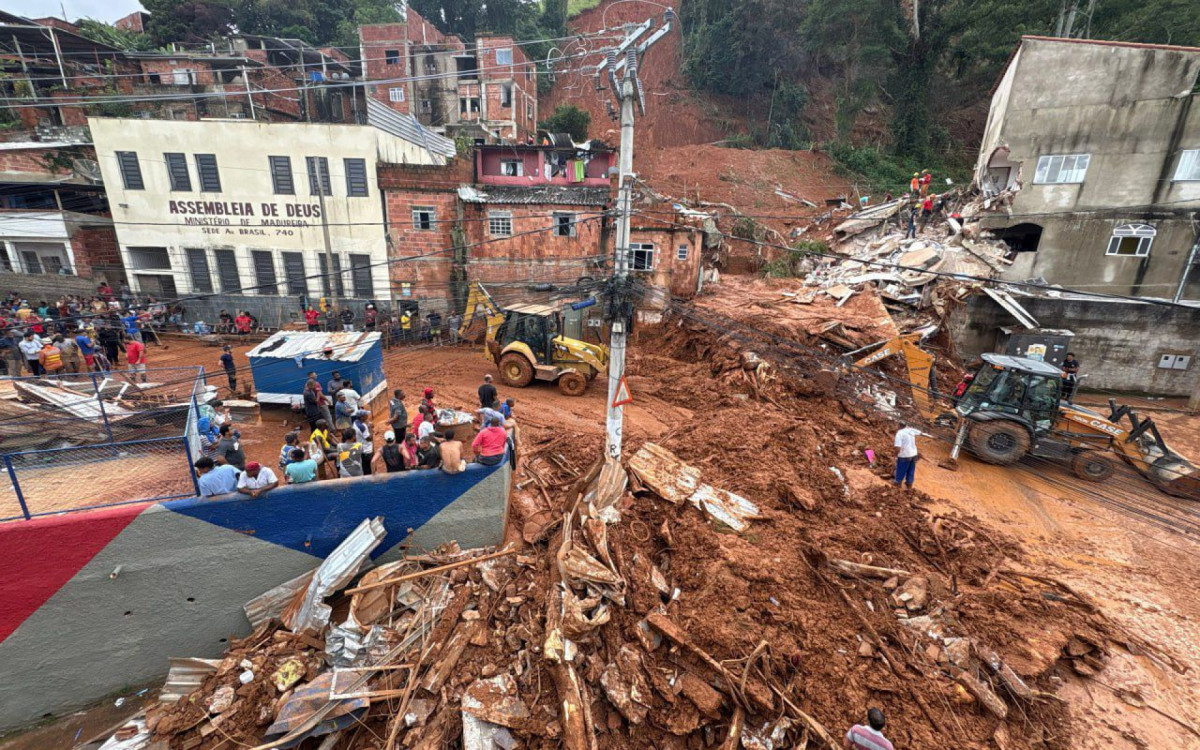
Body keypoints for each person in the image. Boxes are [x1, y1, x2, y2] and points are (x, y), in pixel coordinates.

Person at [893, 425, 922, 489]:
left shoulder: (899, 433)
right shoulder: (911, 430)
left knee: (901, 469)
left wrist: (895, 455)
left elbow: (897, 447)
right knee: (911, 469)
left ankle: (897, 483)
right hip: (914, 454)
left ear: (899, 425)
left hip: (905, 455)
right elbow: (921, 433)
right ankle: (909, 484)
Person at [353, 410, 374, 475]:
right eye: (366, 415)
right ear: (362, 417)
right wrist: (370, 428)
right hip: (367, 451)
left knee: (364, 468)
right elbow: (369, 438)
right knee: (369, 469)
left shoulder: (355, 422)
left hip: (360, 449)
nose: (367, 416)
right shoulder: (362, 427)